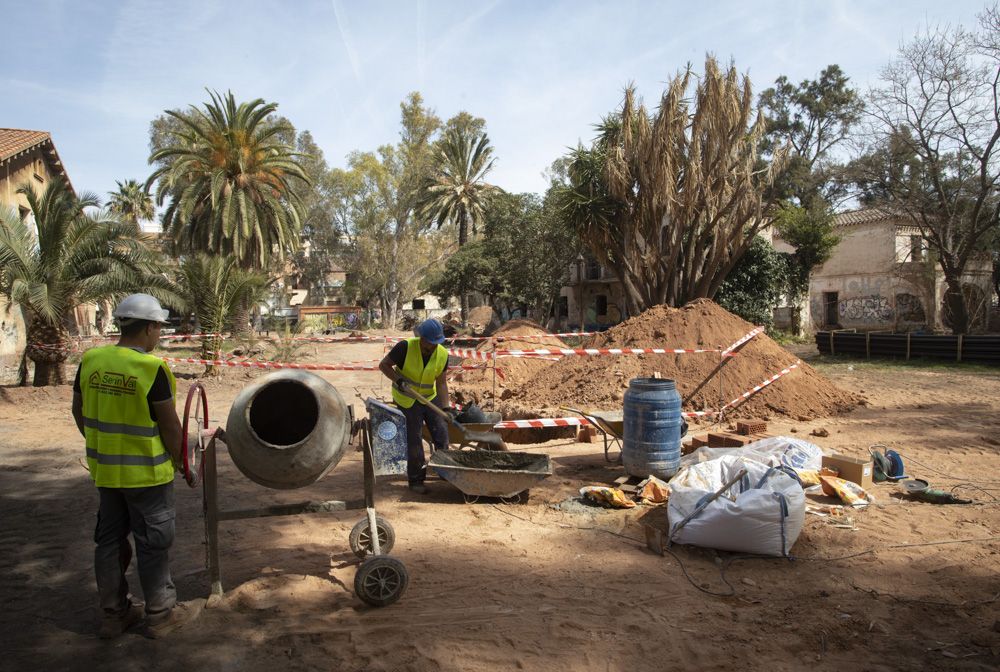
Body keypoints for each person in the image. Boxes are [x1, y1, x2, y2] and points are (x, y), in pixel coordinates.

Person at [71, 293, 198, 639]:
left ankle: (114, 616)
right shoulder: (150, 368)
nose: (159, 335)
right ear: (150, 327)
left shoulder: (91, 360)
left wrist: (100, 444)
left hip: (107, 474)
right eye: (159, 328)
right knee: (152, 543)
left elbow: (78, 411)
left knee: (109, 542)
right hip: (148, 476)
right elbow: (171, 427)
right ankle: (159, 616)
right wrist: (184, 463)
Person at [378, 319, 451, 494]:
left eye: (436, 344)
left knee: (441, 432)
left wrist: (446, 408)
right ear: (421, 338)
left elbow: (441, 383)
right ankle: (416, 479)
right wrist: (399, 381)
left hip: (429, 397)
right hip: (406, 399)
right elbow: (384, 365)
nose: (432, 347)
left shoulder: (442, 354)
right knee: (414, 439)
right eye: (430, 343)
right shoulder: (405, 347)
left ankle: (445, 470)